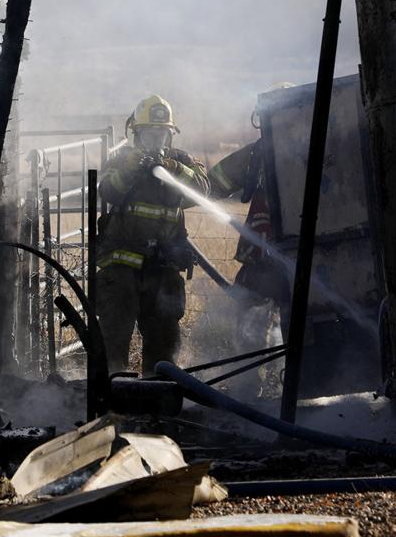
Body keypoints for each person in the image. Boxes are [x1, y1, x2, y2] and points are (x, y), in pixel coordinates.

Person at [96, 95, 209, 374]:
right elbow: (108, 190)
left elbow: (203, 190)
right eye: (149, 134)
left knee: (164, 338)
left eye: (162, 134)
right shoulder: (120, 160)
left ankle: (157, 394)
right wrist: (130, 169)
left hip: (164, 266)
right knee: (114, 333)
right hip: (122, 265)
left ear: (170, 135)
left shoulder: (182, 161)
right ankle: (111, 390)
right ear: (137, 134)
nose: (156, 140)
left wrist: (174, 168)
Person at [208, 135, 291, 338]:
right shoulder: (260, 151)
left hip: (297, 263)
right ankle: (254, 369)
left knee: (299, 332)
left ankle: (285, 368)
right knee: (249, 331)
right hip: (261, 263)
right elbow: (212, 184)